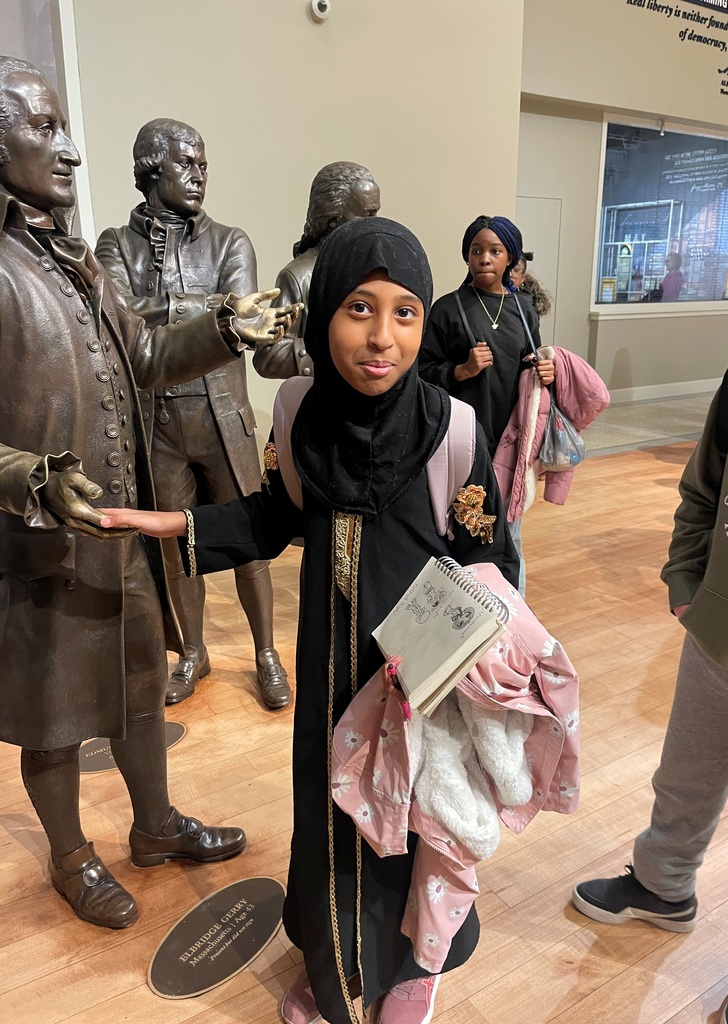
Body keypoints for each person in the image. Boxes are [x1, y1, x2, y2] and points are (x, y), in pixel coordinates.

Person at [100, 217, 519, 1024]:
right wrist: (173, 526)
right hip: (330, 672)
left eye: (405, 313)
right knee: (328, 814)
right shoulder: (298, 411)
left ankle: (412, 964)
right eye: (359, 308)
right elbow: (274, 519)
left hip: (414, 684)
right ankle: (334, 958)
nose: (382, 336)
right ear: (324, 309)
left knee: (411, 817)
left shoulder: (452, 427)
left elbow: (489, 562)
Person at [0, 56, 300, 929]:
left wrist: (222, 329)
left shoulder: (68, 258)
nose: (69, 152)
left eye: (64, 127)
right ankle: (69, 854)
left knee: (137, 680)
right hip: (42, 538)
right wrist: (28, 481)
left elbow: (142, 355)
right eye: (44, 128)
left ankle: (156, 826)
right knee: (55, 709)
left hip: (120, 524)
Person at [572, 355, 728, 1024]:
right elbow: (704, 493)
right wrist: (686, 586)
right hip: (714, 638)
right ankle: (662, 886)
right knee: (685, 775)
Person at [95, 118, 290, 710]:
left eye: (204, 164)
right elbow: (118, 318)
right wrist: (207, 307)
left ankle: (265, 652)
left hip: (222, 415)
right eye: (188, 164)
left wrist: (165, 309)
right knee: (176, 546)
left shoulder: (231, 242)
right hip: (158, 423)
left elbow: (244, 315)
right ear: (152, 170)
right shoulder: (113, 244)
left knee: (250, 541)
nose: (201, 175)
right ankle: (194, 652)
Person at [418, 215, 555, 596]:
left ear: (510, 257)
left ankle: (511, 611)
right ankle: (460, 610)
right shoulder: (447, 309)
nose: (484, 258)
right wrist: (462, 370)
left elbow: (529, 360)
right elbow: (422, 373)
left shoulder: (524, 308)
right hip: (464, 438)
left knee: (510, 531)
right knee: (460, 527)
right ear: (467, 256)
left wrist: (543, 369)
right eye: (476, 251)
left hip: (512, 438)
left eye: (495, 251)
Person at [253, 160, 380, 379]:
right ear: (332, 219)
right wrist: (337, 352)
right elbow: (268, 356)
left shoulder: (374, 268)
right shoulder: (299, 276)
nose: (375, 224)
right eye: (367, 215)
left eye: (376, 214)